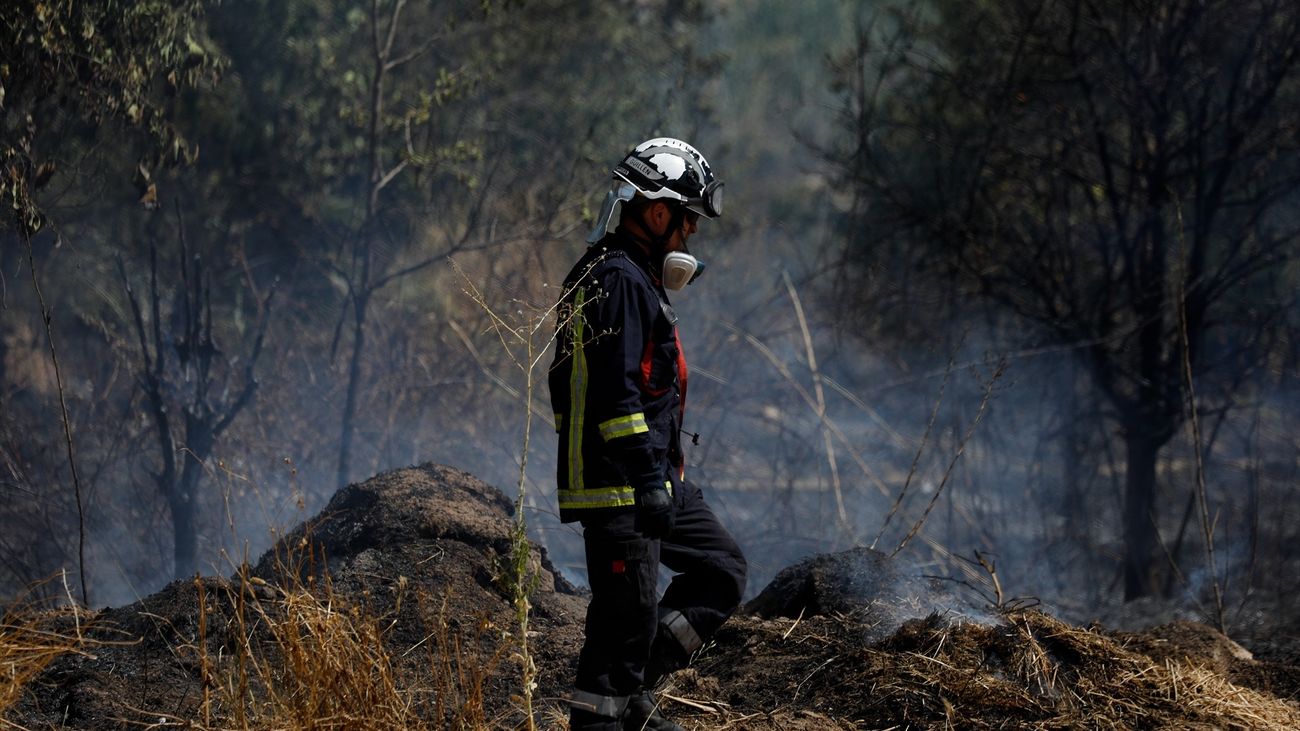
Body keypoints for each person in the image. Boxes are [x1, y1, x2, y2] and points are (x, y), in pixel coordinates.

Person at [548, 138, 748, 731]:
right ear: (657, 213)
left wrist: (660, 481)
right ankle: (610, 712)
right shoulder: (616, 281)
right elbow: (616, 398)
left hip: (650, 480)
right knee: (620, 631)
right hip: (621, 489)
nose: (689, 238)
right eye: (688, 223)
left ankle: (636, 691)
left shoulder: (633, 276)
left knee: (721, 568)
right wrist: (645, 481)